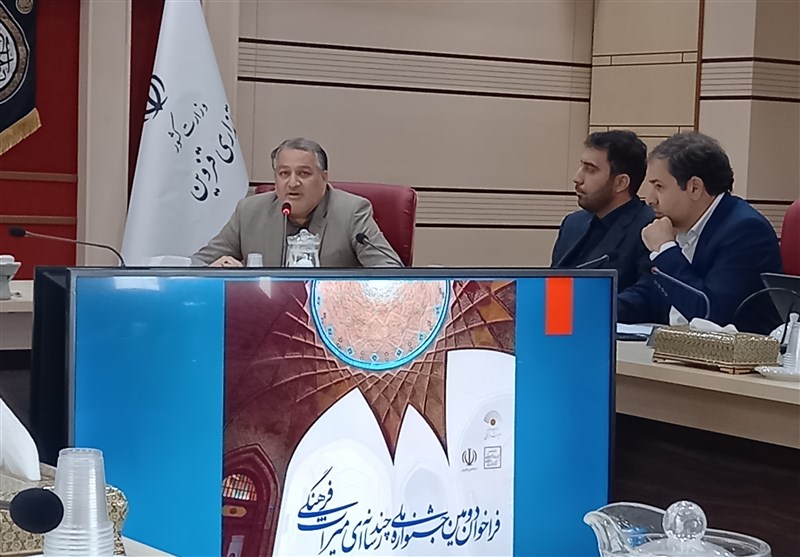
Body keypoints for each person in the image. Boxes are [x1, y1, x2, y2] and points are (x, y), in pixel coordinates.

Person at [618, 132, 782, 332]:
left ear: (694, 188)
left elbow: (709, 313)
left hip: (729, 350)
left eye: (659, 187)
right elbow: (649, 294)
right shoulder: (676, 225)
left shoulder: (746, 231)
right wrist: (600, 310)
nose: (650, 199)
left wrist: (665, 250)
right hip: (674, 344)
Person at [192, 138, 401, 268]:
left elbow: (390, 269)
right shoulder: (249, 212)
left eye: (304, 173)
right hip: (263, 316)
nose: (292, 183)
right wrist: (216, 269)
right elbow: (196, 264)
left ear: (323, 178)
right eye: (284, 173)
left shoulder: (351, 212)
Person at [551, 130, 654, 295]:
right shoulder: (572, 223)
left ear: (621, 183)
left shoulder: (649, 227)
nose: (577, 178)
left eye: (590, 169)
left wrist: (584, 306)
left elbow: (645, 296)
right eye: (581, 166)